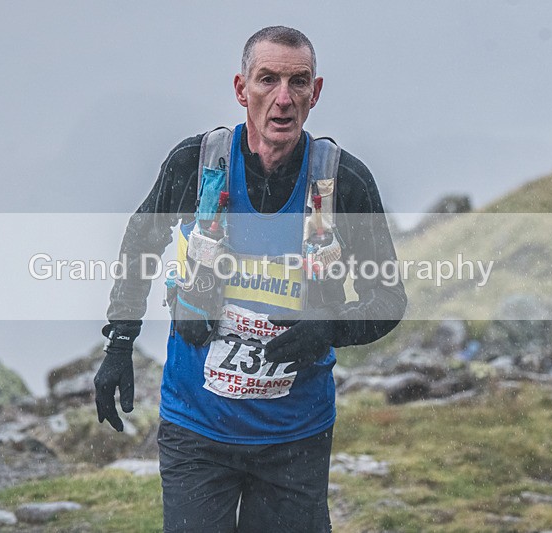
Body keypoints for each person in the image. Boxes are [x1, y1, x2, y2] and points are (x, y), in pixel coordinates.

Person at [94, 26, 407, 532]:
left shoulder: (341, 182)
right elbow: (141, 240)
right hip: (197, 427)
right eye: (268, 80)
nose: (283, 99)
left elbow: (388, 298)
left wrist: (328, 327)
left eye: (297, 82)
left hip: (295, 436)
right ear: (242, 89)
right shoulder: (196, 165)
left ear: (315, 92)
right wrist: (119, 343)